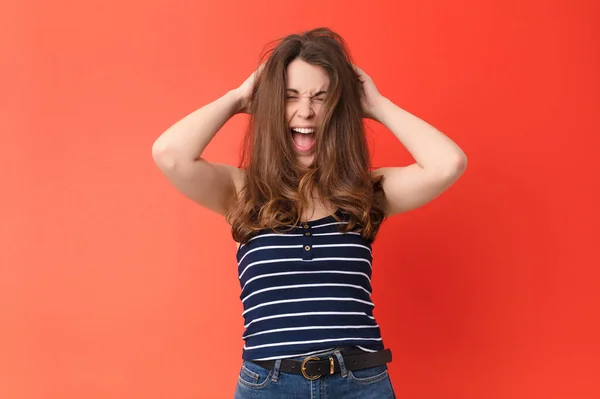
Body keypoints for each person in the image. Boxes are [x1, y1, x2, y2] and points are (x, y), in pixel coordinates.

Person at [152, 27, 467, 398]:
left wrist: (378, 106)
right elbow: (169, 154)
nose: (307, 111)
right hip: (268, 385)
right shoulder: (242, 190)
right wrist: (238, 97)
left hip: (359, 383)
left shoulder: (364, 191)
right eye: (290, 97)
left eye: (322, 97)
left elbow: (448, 163)